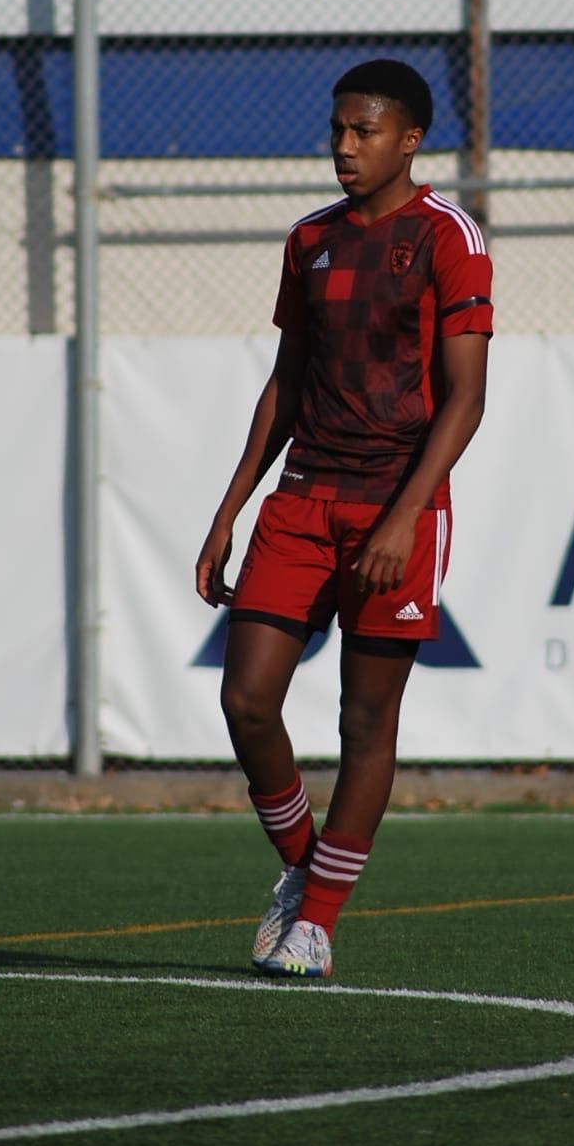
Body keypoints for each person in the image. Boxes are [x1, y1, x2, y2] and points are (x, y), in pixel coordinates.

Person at [195, 58, 492, 978]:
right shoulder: (308, 240)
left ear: (409, 140)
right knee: (244, 698)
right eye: (337, 129)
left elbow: (466, 399)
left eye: (364, 132)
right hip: (302, 499)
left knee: (365, 723)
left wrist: (405, 517)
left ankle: (317, 923)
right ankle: (304, 873)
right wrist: (229, 509)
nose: (343, 147)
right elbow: (287, 382)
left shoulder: (450, 237)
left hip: (394, 508)